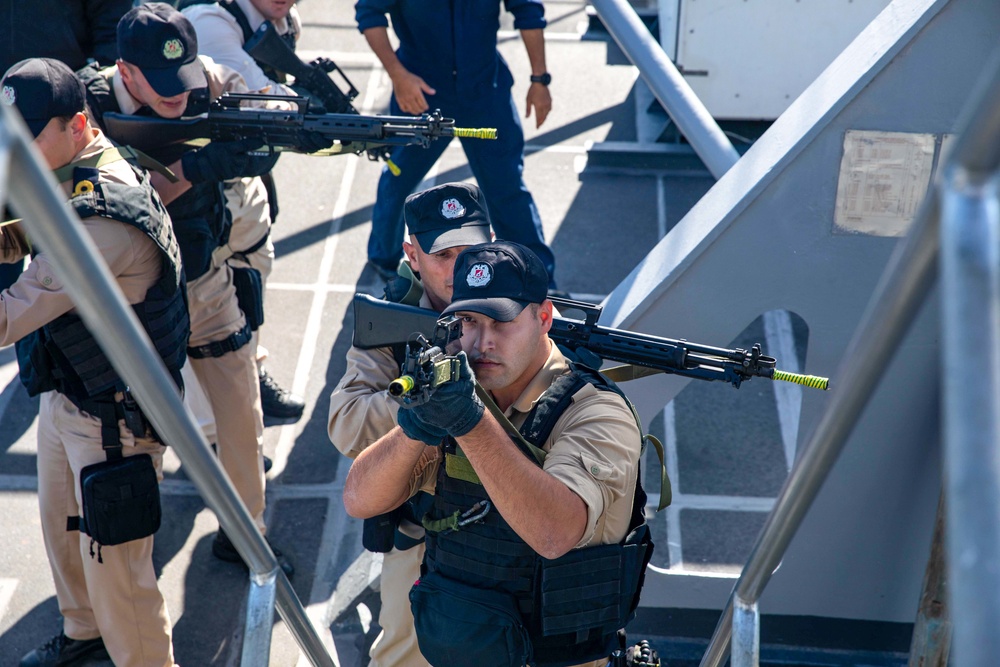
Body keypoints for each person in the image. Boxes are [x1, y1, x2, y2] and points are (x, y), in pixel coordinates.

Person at [343, 241, 651, 667]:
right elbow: (360, 499)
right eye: (468, 320)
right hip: (459, 645)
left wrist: (469, 422)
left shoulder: (596, 412)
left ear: (543, 318)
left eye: (501, 322)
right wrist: (414, 428)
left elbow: (553, 534)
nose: (481, 342)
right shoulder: (465, 392)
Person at [77, 2, 295, 574]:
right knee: (135, 435)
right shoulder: (87, 107)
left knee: (241, 413)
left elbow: (254, 94)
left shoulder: (205, 83)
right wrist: (192, 169)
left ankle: (248, 536)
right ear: (124, 72)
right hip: (128, 299)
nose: (182, 91)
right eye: (163, 81)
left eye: (188, 72)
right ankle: (124, 566)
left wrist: (275, 123)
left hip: (202, 278)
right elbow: (110, 203)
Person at [1, 57, 184, 667]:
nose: (15, 148)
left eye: (28, 133)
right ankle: (84, 637)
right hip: (70, 393)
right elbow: (33, 226)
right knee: (64, 534)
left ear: (78, 123)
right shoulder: (79, 163)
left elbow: (6, 322)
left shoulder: (101, 219)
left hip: (114, 420)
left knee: (123, 581)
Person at [329, 182, 494, 667]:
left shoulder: (517, 302)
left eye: (472, 250)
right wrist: (425, 388)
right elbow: (346, 424)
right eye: (444, 254)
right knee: (405, 653)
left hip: (509, 516)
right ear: (412, 255)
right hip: (427, 529)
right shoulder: (393, 319)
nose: (461, 268)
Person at [354, 0, 559, 289]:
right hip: (421, 94)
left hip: (485, 92)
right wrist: (399, 77)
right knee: (398, 181)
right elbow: (368, 12)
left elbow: (528, 10)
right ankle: (384, 260)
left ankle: (537, 279)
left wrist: (540, 80)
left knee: (506, 186)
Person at [181, 0, 308, 422]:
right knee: (204, 312)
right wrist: (315, 110)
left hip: (241, 184)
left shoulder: (282, 19)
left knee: (251, 284)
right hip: (198, 190)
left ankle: (250, 375)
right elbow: (260, 97)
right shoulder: (213, 22)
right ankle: (212, 433)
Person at [0, 0, 133, 298]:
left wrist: (91, 82)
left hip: (53, 118)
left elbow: (112, 20)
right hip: (25, 122)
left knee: (38, 289)